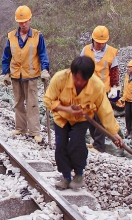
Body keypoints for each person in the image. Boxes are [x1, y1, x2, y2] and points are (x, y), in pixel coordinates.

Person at [43, 56, 123, 190]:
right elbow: (48, 100)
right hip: (61, 117)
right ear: (71, 72)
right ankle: (66, 176)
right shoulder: (60, 78)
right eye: (76, 78)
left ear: (89, 77)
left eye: (83, 80)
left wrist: (114, 133)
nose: (79, 82)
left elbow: (105, 110)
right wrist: (66, 109)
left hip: (82, 119)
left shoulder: (97, 86)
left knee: (77, 142)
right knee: (61, 145)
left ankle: (79, 174)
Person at [1, 5, 50, 143]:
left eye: (25, 21)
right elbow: (6, 56)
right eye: (20, 22)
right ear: (17, 22)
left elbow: (43, 54)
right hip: (16, 75)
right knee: (18, 103)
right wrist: (5, 73)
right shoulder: (11, 36)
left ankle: (35, 131)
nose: (23, 24)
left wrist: (45, 69)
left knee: (32, 103)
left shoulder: (37, 36)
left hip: (31, 75)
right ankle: (21, 127)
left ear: (30, 19)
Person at [81, 25, 119, 152]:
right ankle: (95, 141)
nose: (100, 45)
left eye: (103, 43)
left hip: (104, 92)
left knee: (100, 119)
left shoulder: (111, 53)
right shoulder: (86, 50)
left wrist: (115, 93)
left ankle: (99, 146)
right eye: (98, 42)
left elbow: (114, 74)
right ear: (93, 39)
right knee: (90, 117)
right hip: (88, 90)